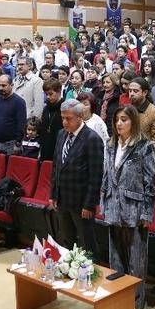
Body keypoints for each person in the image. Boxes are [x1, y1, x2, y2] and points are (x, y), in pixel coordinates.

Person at [101, 105, 155, 309]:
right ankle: (119, 294)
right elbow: (106, 178)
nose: (119, 124)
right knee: (115, 256)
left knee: (136, 259)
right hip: (113, 206)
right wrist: (104, 204)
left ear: (133, 121)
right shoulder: (110, 145)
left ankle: (137, 300)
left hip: (134, 208)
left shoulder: (145, 146)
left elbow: (150, 182)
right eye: (117, 120)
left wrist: (147, 212)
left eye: (124, 119)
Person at [49, 99, 104, 252]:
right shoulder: (61, 134)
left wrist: (89, 204)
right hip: (62, 198)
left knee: (87, 241)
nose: (65, 122)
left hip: (81, 202)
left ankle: (91, 271)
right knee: (66, 239)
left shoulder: (92, 138)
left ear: (80, 117)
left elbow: (96, 175)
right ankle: (68, 271)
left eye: (69, 118)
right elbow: (56, 166)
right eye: (63, 118)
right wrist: (53, 194)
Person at [128, 78, 155, 160]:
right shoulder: (127, 110)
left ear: (145, 92)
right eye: (130, 91)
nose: (131, 94)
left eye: (135, 91)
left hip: (143, 161)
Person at [0, 74, 26, 155]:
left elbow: (21, 124)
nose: (0, 88)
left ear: (11, 85)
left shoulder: (19, 102)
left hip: (11, 144)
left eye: (3, 85)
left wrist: (18, 143)